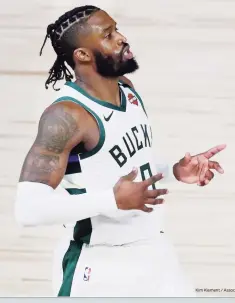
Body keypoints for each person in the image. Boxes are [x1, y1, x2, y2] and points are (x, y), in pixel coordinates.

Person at [14, 5, 226, 297]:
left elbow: (128, 165)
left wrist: (174, 172)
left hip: (154, 251)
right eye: (108, 35)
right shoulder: (65, 116)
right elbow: (28, 209)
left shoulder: (126, 88)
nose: (122, 38)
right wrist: (111, 200)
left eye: (117, 29)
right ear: (83, 55)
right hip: (99, 265)